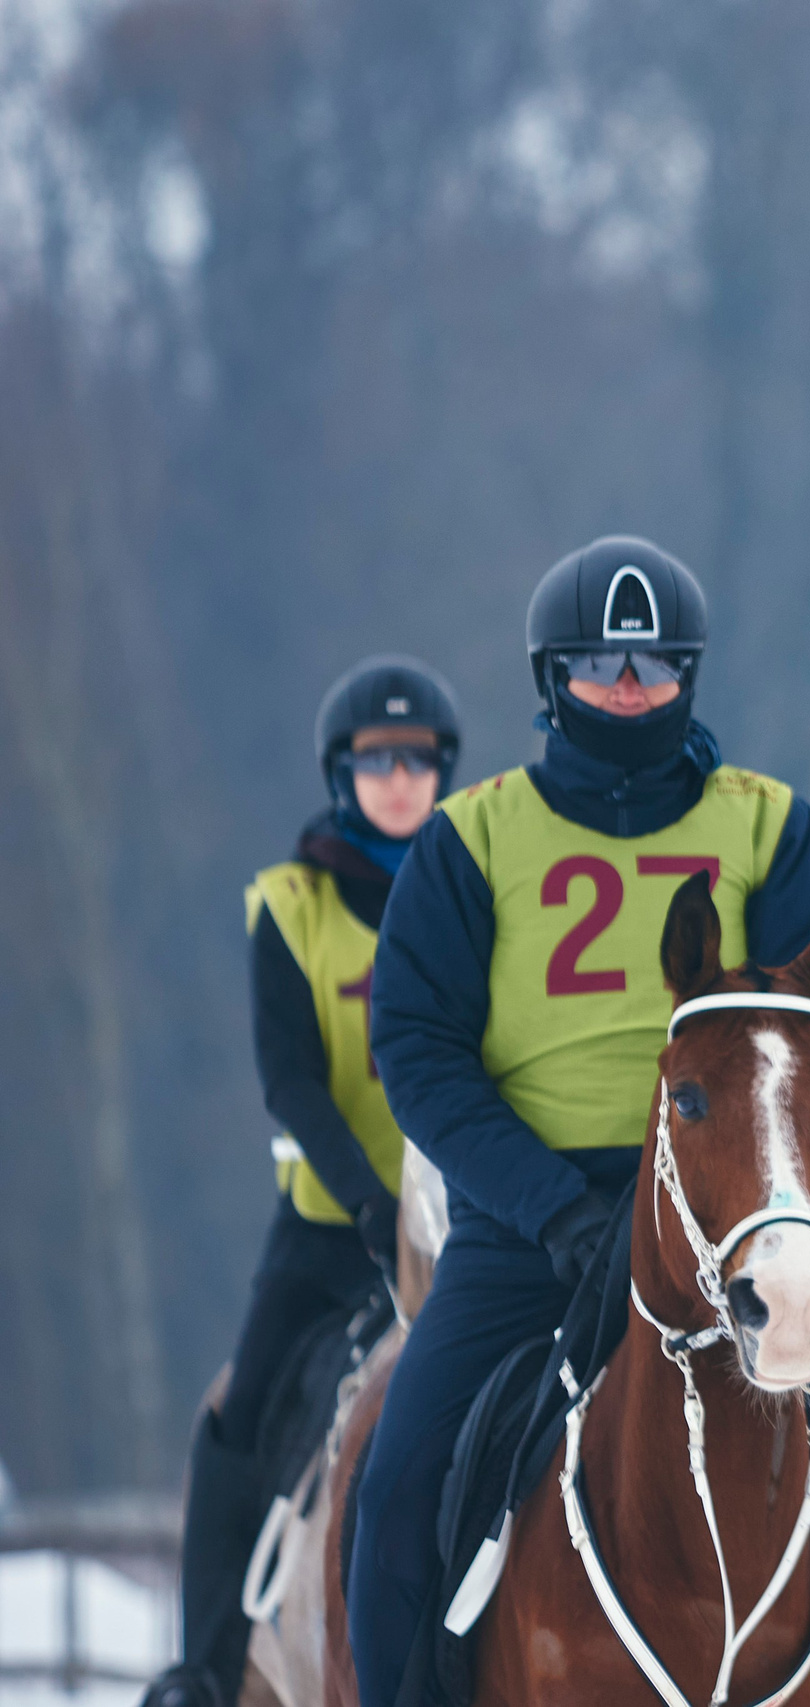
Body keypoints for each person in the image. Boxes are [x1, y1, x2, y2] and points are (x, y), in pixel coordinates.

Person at [346, 537, 810, 1707]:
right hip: (534, 1231)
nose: (627, 687)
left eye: (653, 666)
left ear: (690, 677)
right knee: (400, 1487)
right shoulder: (472, 841)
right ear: (549, 678)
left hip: (727, 1225)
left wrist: (747, 1168)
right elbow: (414, 1047)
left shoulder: (768, 826)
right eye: (600, 664)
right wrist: (548, 1205)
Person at [140, 657, 464, 1707]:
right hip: (331, 1231)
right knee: (236, 1423)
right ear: (343, 775)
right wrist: (369, 1200)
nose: (401, 779)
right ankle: (202, 1665)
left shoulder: (479, 900)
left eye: (418, 760)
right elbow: (289, 1080)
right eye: (378, 761)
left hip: (467, 1222)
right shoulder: (289, 907)